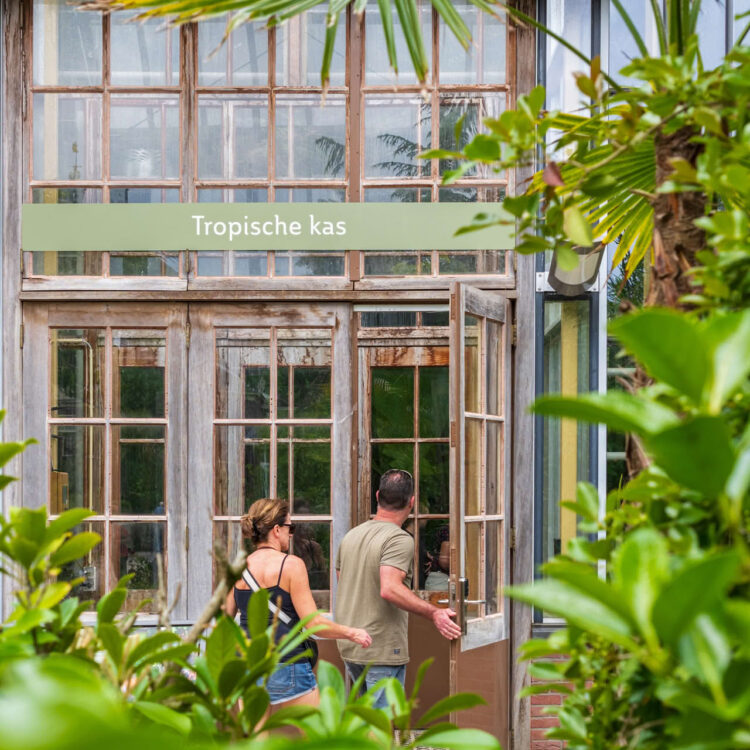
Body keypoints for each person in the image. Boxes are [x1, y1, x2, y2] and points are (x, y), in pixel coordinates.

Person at [225, 498, 372, 708]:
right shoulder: (291, 565)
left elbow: (224, 622)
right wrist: (352, 633)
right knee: (314, 735)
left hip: (248, 665)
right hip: (288, 663)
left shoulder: (238, 567)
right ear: (276, 529)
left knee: (255, 740)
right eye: (290, 527)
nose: (291, 533)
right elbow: (313, 624)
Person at [335, 469, 461, 709]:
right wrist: (433, 613)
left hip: (352, 643)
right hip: (380, 646)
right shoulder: (399, 539)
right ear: (411, 502)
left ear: (378, 495)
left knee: (366, 717)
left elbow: (344, 580)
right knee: (380, 722)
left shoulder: (351, 536)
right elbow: (389, 588)